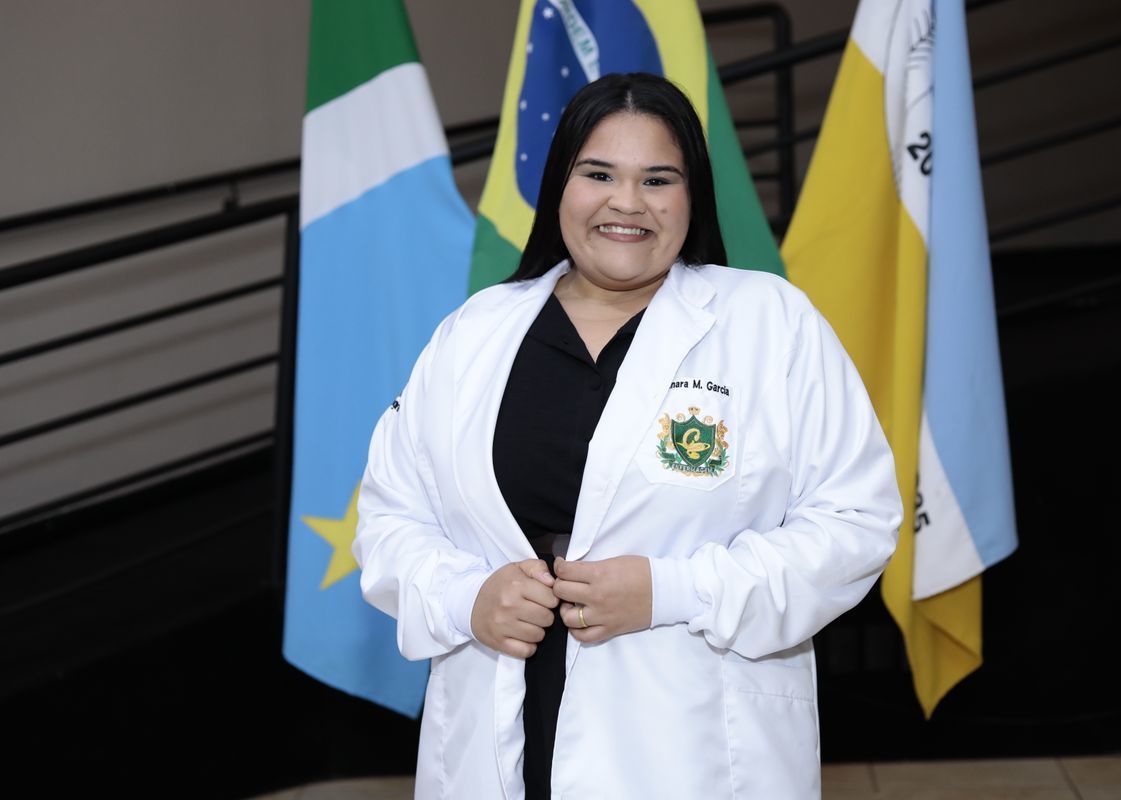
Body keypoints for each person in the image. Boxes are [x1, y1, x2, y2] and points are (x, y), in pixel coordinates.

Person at [353, 72, 902, 799]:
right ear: (560, 186)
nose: (627, 202)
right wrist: (467, 600)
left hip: (693, 756)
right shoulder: (474, 333)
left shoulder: (771, 323)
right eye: (599, 174)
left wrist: (671, 591)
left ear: (691, 197)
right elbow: (390, 517)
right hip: (498, 744)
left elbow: (857, 521)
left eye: (658, 180)